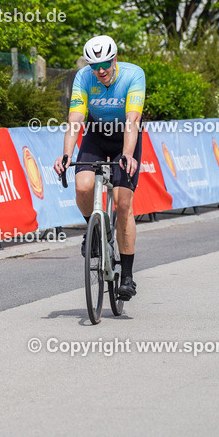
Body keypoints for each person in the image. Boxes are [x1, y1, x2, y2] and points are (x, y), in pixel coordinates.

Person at [53, 35, 145, 301]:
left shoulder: (133, 75)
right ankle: (93, 232)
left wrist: (127, 155)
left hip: (124, 138)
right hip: (95, 134)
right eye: (95, 65)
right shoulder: (84, 77)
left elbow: (132, 119)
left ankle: (126, 275)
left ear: (114, 59)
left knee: (122, 202)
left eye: (105, 63)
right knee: (82, 185)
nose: (100, 70)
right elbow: (75, 119)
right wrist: (67, 154)